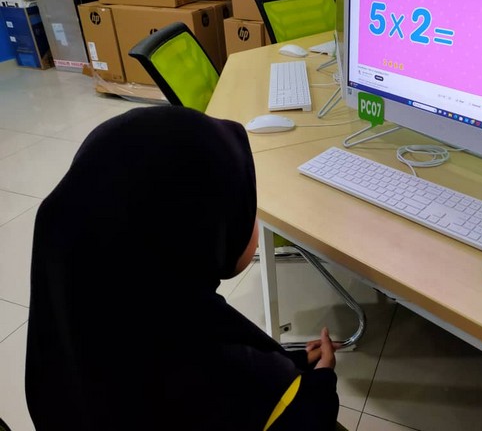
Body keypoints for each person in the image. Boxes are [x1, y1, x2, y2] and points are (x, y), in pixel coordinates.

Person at [25, 106, 341, 430]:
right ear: (194, 230)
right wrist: (321, 381)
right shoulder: (239, 387)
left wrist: (289, 360)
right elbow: (303, 416)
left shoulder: (75, 336)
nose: (253, 216)